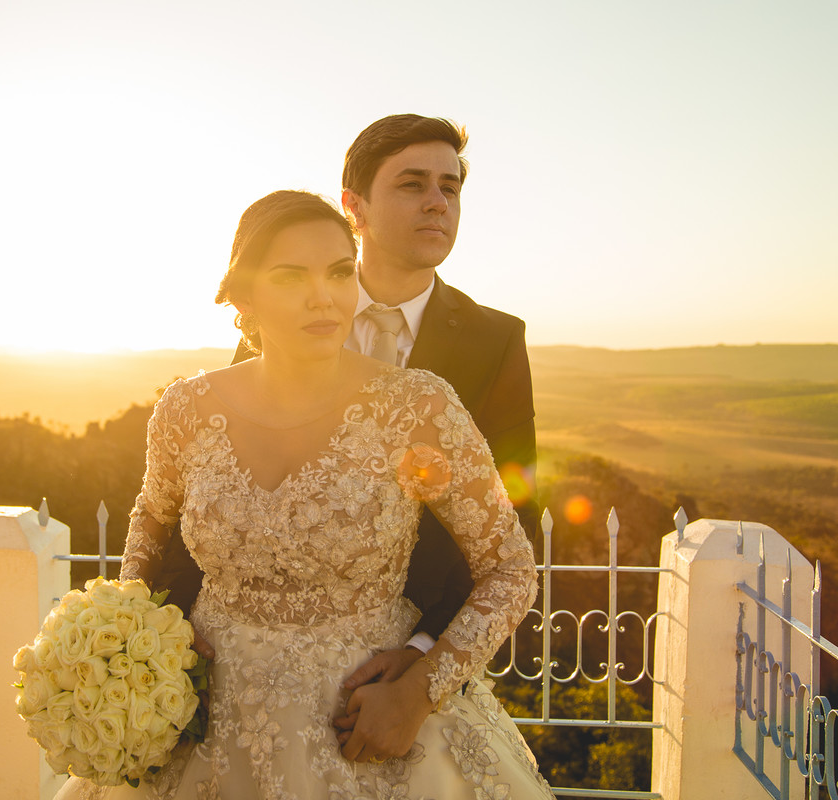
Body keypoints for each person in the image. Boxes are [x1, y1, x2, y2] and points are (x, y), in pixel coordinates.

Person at [53, 191, 552, 799]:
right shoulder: (185, 409)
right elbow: (151, 521)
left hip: (366, 719)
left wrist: (420, 690)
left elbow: (510, 568)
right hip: (203, 714)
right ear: (244, 296)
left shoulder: (418, 406)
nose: (324, 296)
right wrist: (149, 633)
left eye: (339, 272)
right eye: (292, 276)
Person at [158, 114, 540, 727]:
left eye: (450, 187)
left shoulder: (496, 341)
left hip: (409, 669)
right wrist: (172, 631)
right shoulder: (280, 320)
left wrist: (424, 657)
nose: (438, 203)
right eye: (412, 184)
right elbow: (208, 483)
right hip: (237, 679)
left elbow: (513, 511)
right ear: (353, 206)